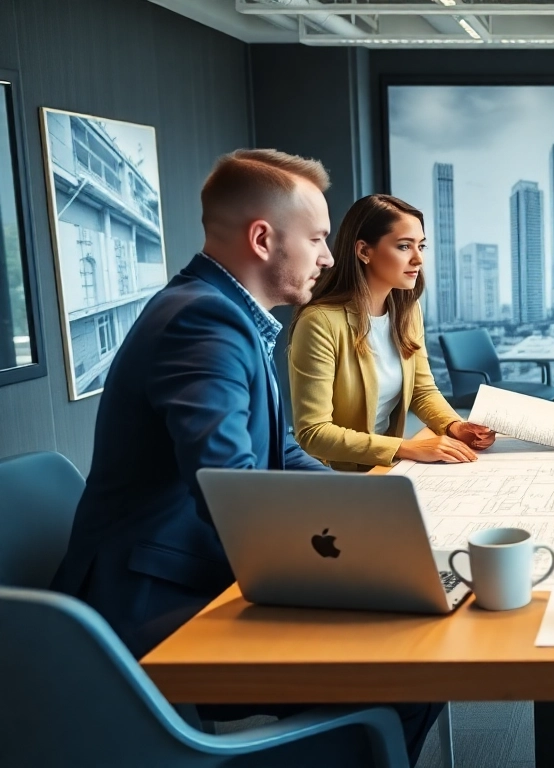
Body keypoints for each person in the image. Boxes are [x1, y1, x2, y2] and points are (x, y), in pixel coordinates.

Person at [48, 150, 440, 763]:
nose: (329, 255)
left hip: (184, 571)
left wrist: (378, 505)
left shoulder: (230, 315)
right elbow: (234, 489)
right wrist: (364, 557)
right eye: (315, 238)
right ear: (262, 239)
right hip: (156, 601)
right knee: (407, 670)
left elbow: (279, 450)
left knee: (414, 648)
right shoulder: (202, 321)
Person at [289, 193, 494, 471]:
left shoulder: (408, 312)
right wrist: (408, 448)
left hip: (386, 467)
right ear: (364, 251)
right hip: (337, 475)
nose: (418, 259)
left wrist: (455, 426)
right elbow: (314, 432)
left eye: (421, 246)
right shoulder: (320, 323)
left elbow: (422, 391)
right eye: (404, 246)